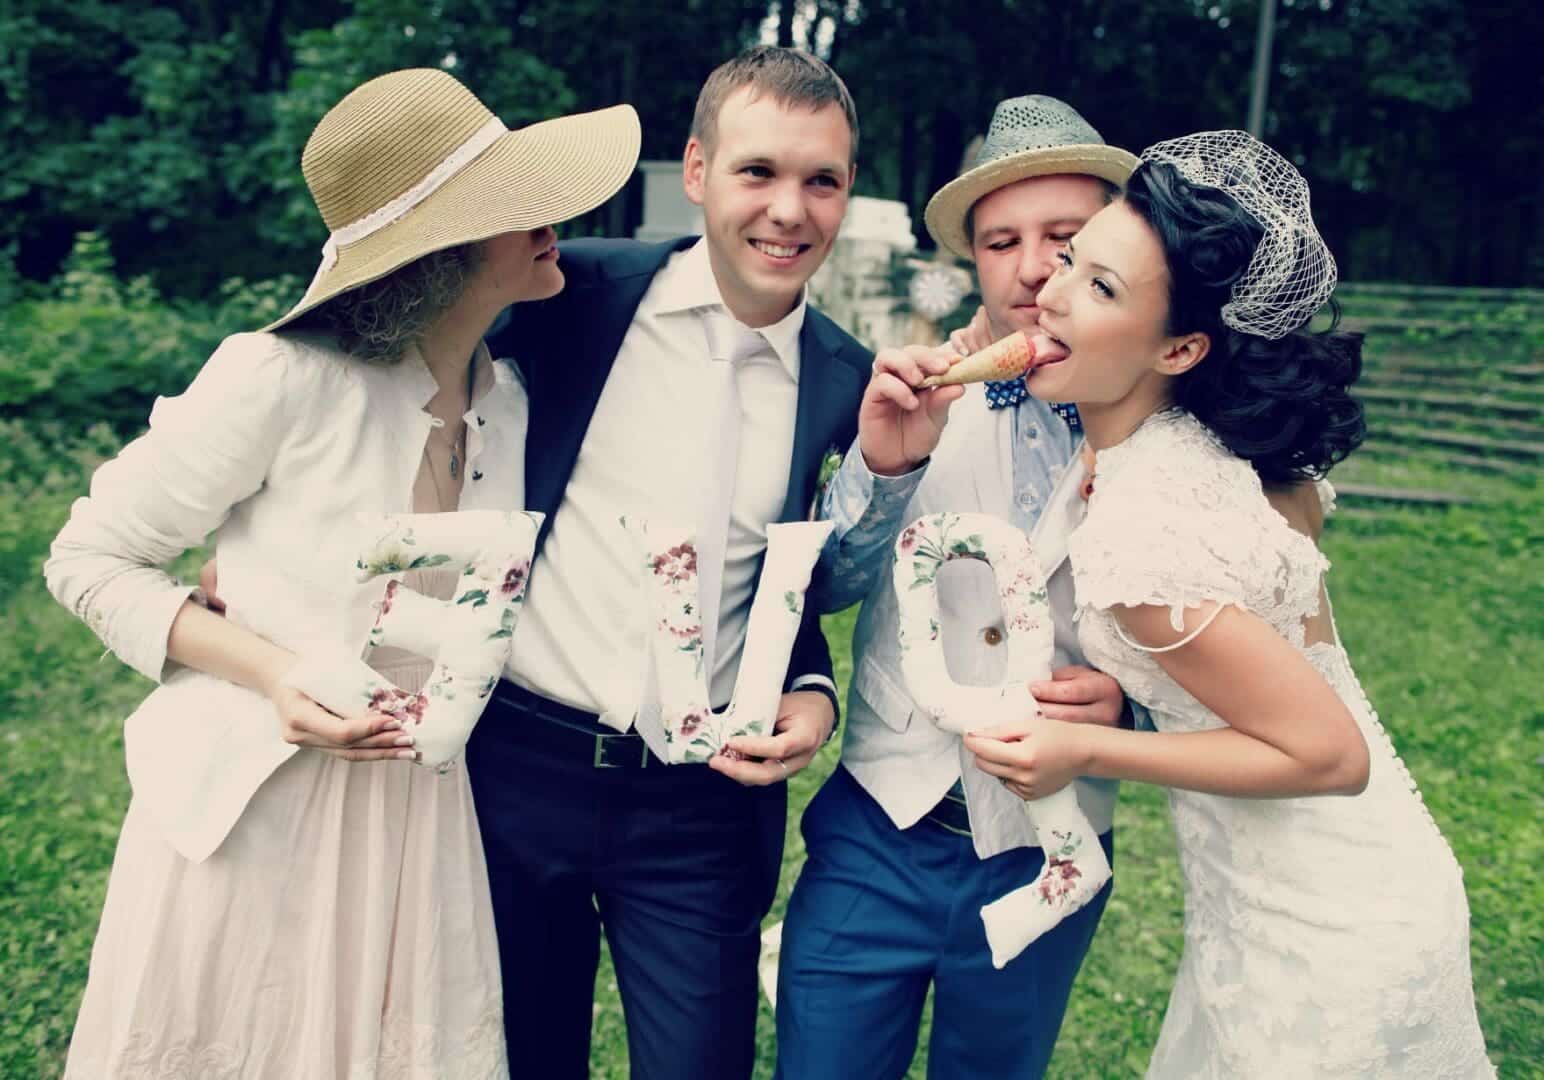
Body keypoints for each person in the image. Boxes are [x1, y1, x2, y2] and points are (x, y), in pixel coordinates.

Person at [44, 68, 640, 1078]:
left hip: (415, 815)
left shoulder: (512, 404)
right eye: (516, 204)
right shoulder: (279, 379)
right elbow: (90, 558)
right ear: (442, 249)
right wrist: (276, 672)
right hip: (259, 809)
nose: (557, 219)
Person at [963, 130, 1495, 1076]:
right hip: (1311, 885)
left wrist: (1084, 746)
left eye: (1100, 287)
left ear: (1182, 345)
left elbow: (1331, 755)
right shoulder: (1198, 447)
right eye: (1073, 263)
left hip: (1323, 918)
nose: (1047, 288)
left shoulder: (1145, 530)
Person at [468, 46, 884, 1079]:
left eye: (819, 180)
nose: (789, 210)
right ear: (695, 171)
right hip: (517, 767)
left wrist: (811, 686)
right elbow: (412, 403)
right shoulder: (572, 295)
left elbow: (799, 580)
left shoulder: (846, 380)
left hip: (700, 803)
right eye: (758, 172)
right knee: (523, 1059)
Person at [775, 96, 1140, 1079]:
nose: (1030, 269)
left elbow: (1211, 645)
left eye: (1062, 241)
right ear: (970, 259)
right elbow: (830, 591)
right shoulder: (915, 393)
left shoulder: (1161, 437)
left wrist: (1127, 705)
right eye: (1000, 242)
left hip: (1050, 843)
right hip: (875, 829)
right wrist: (884, 469)